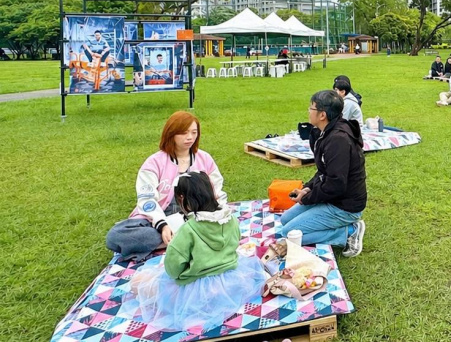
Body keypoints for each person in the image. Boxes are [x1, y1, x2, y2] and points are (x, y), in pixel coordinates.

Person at [120, 172, 266, 331]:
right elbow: (235, 242)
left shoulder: (187, 230)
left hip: (195, 293)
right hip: (231, 282)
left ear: (183, 200)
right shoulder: (231, 219)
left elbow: (173, 270)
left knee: (137, 282)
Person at [106, 111, 226, 261]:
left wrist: (220, 214)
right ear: (171, 134)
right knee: (115, 236)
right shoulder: (154, 162)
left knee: (221, 223)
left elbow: (217, 191)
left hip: (194, 216)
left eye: (194, 132)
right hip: (158, 218)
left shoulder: (204, 159)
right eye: (183, 133)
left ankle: (177, 238)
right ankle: (183, 238)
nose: (190, 137)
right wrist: (162, 225)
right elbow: (146, 199)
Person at [280, 91, 367, 257]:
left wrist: (307, 198)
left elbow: (336, 184)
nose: (308, 111)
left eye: (311, 108)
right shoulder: (324, 132)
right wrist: (307, 189)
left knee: (289, 233)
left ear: (322, 115)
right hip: (333, 197)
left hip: (345, 206)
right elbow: (323, 170)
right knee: (285, 220)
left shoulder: (338, 140)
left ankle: (349, 231)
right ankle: (340, 228)